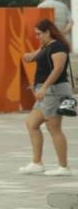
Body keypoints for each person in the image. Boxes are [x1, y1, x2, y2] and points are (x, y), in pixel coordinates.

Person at [20, 19, 73, 176]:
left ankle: (63, 167)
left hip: (54, 91)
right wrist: (28, 56)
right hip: (46, 91)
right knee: (31, 123)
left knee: (54, 128)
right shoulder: (46, 46)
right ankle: (37, 163)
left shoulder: (58, 47)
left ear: (48, 32)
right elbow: (32, 57)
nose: (37, 37)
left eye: (39, 34)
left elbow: (58, 69)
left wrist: (44, 87)